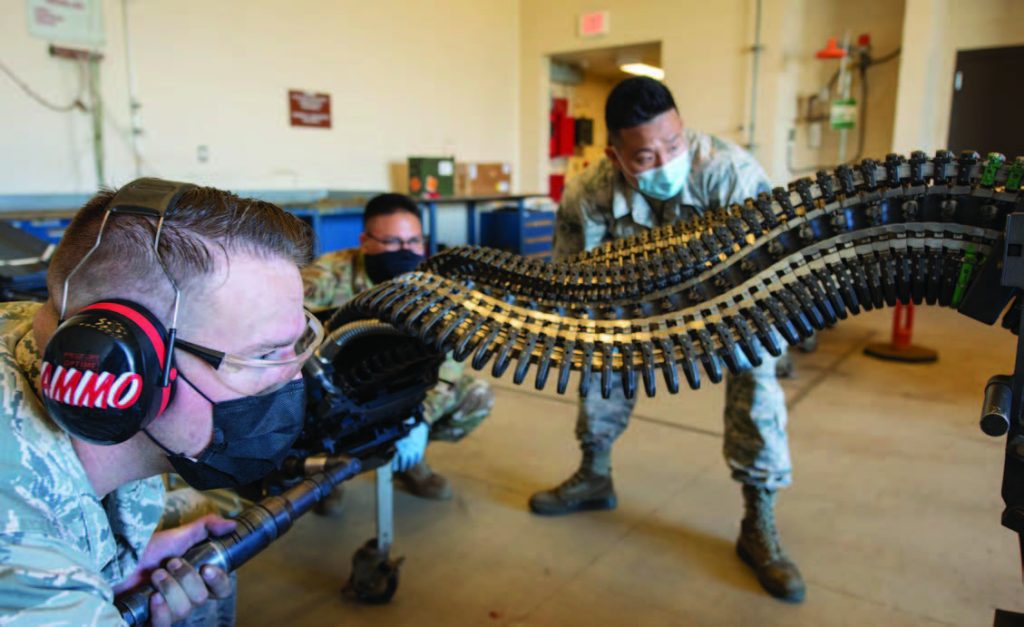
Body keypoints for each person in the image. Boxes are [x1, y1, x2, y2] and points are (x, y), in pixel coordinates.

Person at [530, 77, 805, 602]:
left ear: (683, 128)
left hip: (731, 302)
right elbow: (574, 283)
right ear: (614, 154)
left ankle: (758, 518)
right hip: (636, 304)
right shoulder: (589, 194)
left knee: (759, 364)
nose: (663, 162)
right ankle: (595, 474)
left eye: (673, 145)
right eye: (644, 156)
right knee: (597, 344)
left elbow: (775, 267)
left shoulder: (731, 174)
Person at [0, 178, 317, 624]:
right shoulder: (26, 569)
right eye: (263, 356)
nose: (293, 376)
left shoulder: (34, 332)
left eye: (296, 345)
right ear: (120, 364)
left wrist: (112, 568)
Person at [303, 192, 493, 508]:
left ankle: (405, 455)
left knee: (477, 396)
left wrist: (422, 418)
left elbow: (449, 359)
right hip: (335, 390)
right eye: (393, 242)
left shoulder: (433, 283)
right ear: (366, 241)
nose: (406, 251)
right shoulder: (322, 279)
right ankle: (323, 470)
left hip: (403, 384)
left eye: (414, 241)